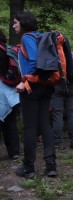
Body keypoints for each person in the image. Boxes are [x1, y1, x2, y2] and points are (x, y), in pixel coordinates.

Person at [13, 12, 57, 178]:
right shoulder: (41, 37)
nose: (14, 25)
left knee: (30, 127)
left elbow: (33, 61)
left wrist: (25, 81)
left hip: (32, 87)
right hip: (46, 86)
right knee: (45, 125)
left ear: (23, 23)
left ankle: (29, 168)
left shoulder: (27, 38)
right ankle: (51, 166)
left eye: (15, 22)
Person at [51, 53, 73, 150]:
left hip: (57, 85)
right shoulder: (72, 55)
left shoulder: (54, 55)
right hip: (71, 86)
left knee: (57, 114)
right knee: (72, 115)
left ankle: (58, 143)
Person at [0, 29, 20, 160]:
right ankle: (14, 152)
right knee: (10, 122)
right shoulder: (6, 49)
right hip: (11, 90)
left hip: (2, 90)